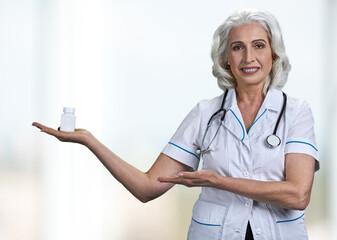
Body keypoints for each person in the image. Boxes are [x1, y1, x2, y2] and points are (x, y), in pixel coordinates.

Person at [33, 8, 319, 240]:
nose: (248, 57)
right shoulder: (205, 114)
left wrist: (218, 181)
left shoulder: (295, 112)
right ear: (225, 59)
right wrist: (90, 141)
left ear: (274, 54)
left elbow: (297, 194)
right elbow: (147, 187)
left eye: (259, 45)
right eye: (237, 48)